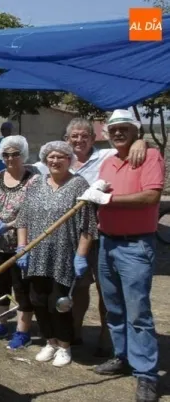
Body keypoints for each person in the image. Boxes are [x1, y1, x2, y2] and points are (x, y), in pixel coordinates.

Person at [33, 117, 147, 355]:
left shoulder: (106, 156)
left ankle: (107, 337)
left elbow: (130, 148)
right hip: (72, 238)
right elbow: (29, 172)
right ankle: (74, 331)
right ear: (66, 139)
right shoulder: (55, 160)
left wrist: (140, 142)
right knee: (79, 286)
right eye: (74, 136)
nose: (79, 140)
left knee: (106, 289)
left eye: (85, 136)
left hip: (102, 231)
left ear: (94, 139)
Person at [77, 109, 164, 402]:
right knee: (114, 307)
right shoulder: (108, 162)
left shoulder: (149, 157)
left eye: (124, 128)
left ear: (135, 131)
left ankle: (146, 374)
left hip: (135, 245)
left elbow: (151, 196)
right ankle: (122, 356)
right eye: (113, 129)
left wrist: (108, 199)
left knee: (138, 311)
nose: (117, 133)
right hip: (107, 243)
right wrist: (97, 194)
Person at [15, 141, 96, 367]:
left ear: (69, 160)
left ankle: (64, 346)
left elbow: (88, 225)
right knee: (38, 301)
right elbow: (23, 219)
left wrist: (81, 256)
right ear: (45, 159)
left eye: (61, 156)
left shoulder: (79, 185)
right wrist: (22, 247)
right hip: (37, 254)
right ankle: (50, 342)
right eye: (51, 156)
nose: (55, 161)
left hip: (64, 255)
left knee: (59, 303)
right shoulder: (36, 183)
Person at [0, 135, 37, 350]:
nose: (10, 158)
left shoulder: (33, 179)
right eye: (6, 154)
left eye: (15, 154)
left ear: (23, 154)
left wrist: (10, 225)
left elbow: (32, 212)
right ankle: (1, 323)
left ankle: (23, 331)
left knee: (22, 288)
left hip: (22, 245)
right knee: (0, 284)